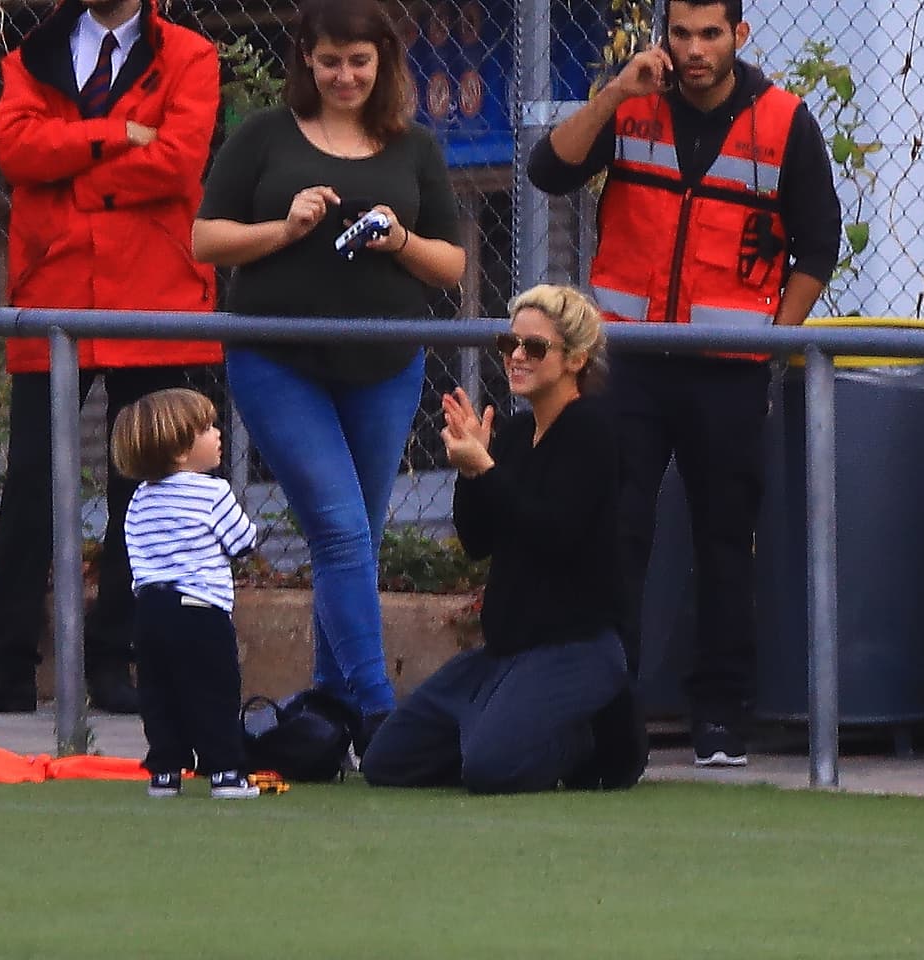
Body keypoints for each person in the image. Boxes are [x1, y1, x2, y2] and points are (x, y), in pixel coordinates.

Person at [526, 0, 840, 767]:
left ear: (740, 35)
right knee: (617, 532)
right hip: (629, 363)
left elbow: (817, 246)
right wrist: (612, 92)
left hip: (727, 372)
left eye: (710, 34)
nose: (693, 51)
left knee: (726, 541)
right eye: (681, 34)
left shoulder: (784, 120)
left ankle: (720, 716)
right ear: (663, 37)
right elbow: (546, 170)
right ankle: (608, 708)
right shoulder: (634, 106)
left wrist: (771, 346)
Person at [0, 0, 221, 715]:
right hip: (55, 291)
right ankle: (6, 667)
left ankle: (115, 663)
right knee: (30, 487)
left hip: (155, 297)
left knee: (144, 489)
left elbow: (178, 162)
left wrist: (72, 173)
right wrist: (116, 133)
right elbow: (15, 151)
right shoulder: (30, 55)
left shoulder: (189, 55)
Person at [191, 0, 466, 753]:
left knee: (355, 540)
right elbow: (205, 240)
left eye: (359, 61)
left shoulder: (413, 148)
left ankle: (326, 714)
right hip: (278, 362)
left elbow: (451, 264)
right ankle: (381, 717)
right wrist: (287, 229)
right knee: (342, 532)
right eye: (330, 60)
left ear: (383, 62)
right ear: (305, 59)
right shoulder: (262, 137)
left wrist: (398, 236)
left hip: (385, 366)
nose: (345, 75)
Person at [361, 285, 647, 795]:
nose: (516, 356)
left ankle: (592, 739)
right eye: (509, 343)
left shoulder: (592, 431)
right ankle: (499, 726)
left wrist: (487, 470)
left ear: (575, 359)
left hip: (576, 648)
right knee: (387, 762)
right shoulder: (515, 435)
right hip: (505, 652)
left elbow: (555, 534)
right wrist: (472, 472)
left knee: (491, 771)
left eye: (533, 348)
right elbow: (477, 541)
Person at [110, 389, 260, 799]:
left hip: (150, 610)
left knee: (160, 691)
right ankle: (226, 771)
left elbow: (136, 552)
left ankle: (165, 770)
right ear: (180, 451)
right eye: (207, 428)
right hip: (201, 609)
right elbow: (243, 542)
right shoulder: (212, 492)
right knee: (213, 690)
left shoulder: (139, 498)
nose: (217, 434)